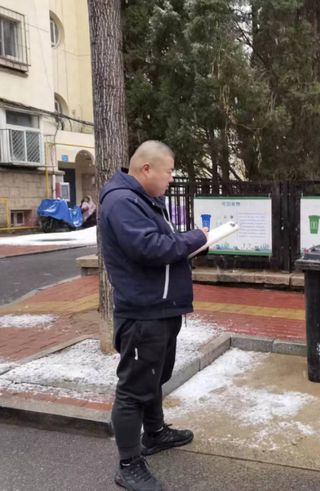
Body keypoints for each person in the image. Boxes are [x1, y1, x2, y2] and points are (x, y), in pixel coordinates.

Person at [99, 140, 208, 491]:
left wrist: (192, 245)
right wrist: (194, 239)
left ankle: (156, 433)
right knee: (133, 388)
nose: (171, 178)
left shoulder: (145, 202)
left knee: (153, 378)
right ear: (146, 169)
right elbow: (149, 248)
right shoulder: (121, 202)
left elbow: (163, 248)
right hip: (142, 313)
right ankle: (128, 464)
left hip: (161, 309)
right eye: (168, 171)